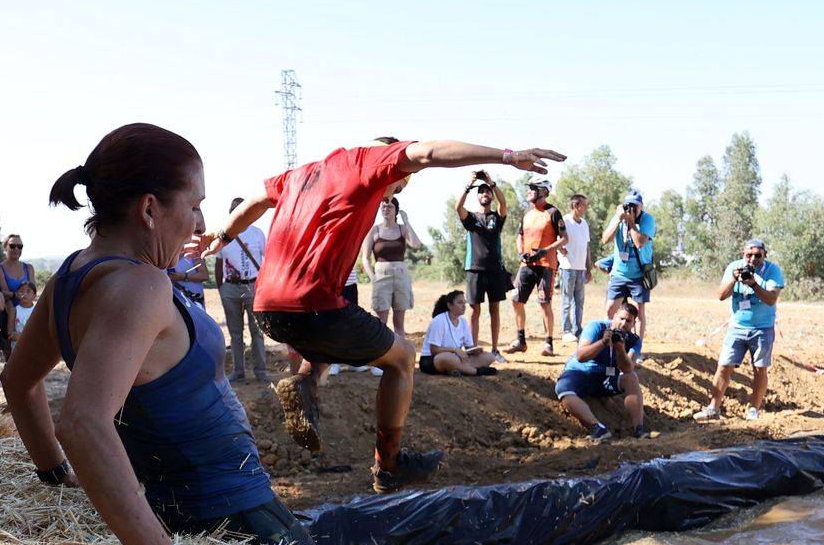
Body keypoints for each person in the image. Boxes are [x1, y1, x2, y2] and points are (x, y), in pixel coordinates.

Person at [5, 122, 319, 545]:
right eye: (194, 205)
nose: (199, 223)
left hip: (188, 508)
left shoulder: (69, 275)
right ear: (149, 209)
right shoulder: (141, 285)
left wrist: (54, 473)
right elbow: (83, 421)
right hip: (233, 518)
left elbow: (18, 381)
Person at [204, 137, 564, 493]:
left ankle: (306, 382)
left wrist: (223, 234)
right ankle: (388, 465)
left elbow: (256, 200)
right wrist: (508, 156)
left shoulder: (304, 173)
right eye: (398, 185)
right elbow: (429, 152)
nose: (390, 195)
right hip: (312, 304)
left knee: (329, 334)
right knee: (403, 357)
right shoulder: (369, 163)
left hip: (269, 306)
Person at [694, 239, 785, 420]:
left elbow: (771, 299)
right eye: (749, 255)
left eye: (758, 255)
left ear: (765, 255)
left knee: (759, 368)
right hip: (737, 327)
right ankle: (713, 408)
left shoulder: (772, 270)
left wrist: (753, 284)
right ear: (743, 254)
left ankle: (754, 409)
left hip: (762, 328)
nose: (753, 259)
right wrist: (734, 278)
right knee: (724, 366)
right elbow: (721, 295)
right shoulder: (734, 267)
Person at [556, 304, 649, 441]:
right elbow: (581, 355)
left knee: (631, 378)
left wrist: (620, 349)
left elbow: (628, 368)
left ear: (634, 323)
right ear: (614, 317)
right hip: (580, 373)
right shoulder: (596, 327)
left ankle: (639, 429)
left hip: (604, 379)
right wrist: (603, 342)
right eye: (621, 319)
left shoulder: (634, 340)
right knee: (563, 389)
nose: (623, 324)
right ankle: (597, 427)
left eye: (628, 321)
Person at [212, 197, 271, 382]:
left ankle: (261, 371)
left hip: (254, 286)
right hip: (230, 289)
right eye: (236, 212)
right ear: (231, 214)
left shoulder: (257, 234)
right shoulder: (222, 235)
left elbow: (268, 260)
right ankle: (238, 372)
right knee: (235, 334)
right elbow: (219, 264)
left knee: (257, 332)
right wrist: (222, 289)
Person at [509, 179, 567, 356]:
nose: (529, 191)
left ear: (543, 191)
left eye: (533, 188)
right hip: (526, 264)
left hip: (546, 265)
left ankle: (549, 343)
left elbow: (565, 238)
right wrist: (521, 252)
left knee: (544, 303)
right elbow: (520, 235)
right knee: (516, 299)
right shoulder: (527, 213)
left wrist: (545, 251)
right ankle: (520, 340)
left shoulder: (553, 212)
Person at [457, 171, 510, 356]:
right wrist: (469, 185)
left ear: (491, 196)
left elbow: (504, 204)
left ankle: (495, 349)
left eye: (488, 192)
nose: (485, 194)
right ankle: (473, 349)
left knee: (495, 309)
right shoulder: (471, 219)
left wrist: (491, 183)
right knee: (474, 311)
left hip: (495, 269)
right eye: (481, 192)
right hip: (474, 269)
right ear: (477, 196)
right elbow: (458, 207)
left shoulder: (497, 217)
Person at [598, 189, 655, 347]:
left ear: (641, 206)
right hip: (619, 273)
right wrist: (618, 219)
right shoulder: (618, 218)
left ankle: (637, 348)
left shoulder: (647, 219)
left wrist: (631, 222)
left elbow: (639, 243)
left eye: (635, 206)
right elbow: (605, 239)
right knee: (610, 309)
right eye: (628, 205)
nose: (631, 209)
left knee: (638, 312)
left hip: (639, 274)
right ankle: (609, 344)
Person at [362, 197, 422, 339]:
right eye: (383, 207)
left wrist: (406, 221)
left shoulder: (402, 229)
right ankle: (381, 350)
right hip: (381, 277)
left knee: (399, 323)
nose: (386, 209)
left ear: (396, 210)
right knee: (381, 322)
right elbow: (365, 258)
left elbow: (416, 245)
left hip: (401, 277)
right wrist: (373, 278)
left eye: (389, 207)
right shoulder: (374, 230)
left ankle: (399, 349)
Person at [420, 290, 498, 376]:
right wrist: (455, 350)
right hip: (433, 359)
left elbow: (469, 347)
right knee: (446, 358)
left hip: (456, 357)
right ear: (450, 305)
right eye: (460, 303)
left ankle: (456, 369)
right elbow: (434, 350)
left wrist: (475, 350)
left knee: (489, 357)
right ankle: (475, 372)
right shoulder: (439, 320)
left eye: (464, 303)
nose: (464, 306)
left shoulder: (463, 322)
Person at [0, 234, 36, 359]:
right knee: (11, 354)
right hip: (7, 312)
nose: (16, 249)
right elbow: (3, 292)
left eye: (20, 246)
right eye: (12, 246)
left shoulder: (28, 268)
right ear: (5, 247)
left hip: (27, 312)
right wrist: (13, 312)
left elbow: (33, 289)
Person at [557, 193, 592, 342]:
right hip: (567, 267)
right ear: (576, 205)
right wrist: (561, 250)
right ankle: (566, 330)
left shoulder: (584, 224)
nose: (586, 208)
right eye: (584, 205)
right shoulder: (564, 221)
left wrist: (588, 267)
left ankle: (578, 330)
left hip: (581, 268)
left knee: (579, 301)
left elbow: (587, 247)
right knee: (567, 300)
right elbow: (556, 239)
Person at [10, 280, 37, 345]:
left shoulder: (36, 310)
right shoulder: (14, 310)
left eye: (28, 291)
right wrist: (15, 335)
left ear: (34, 295)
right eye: (21, 291)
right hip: (18, 347)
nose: (24, 294)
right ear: (17, 294)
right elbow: (10, 333)